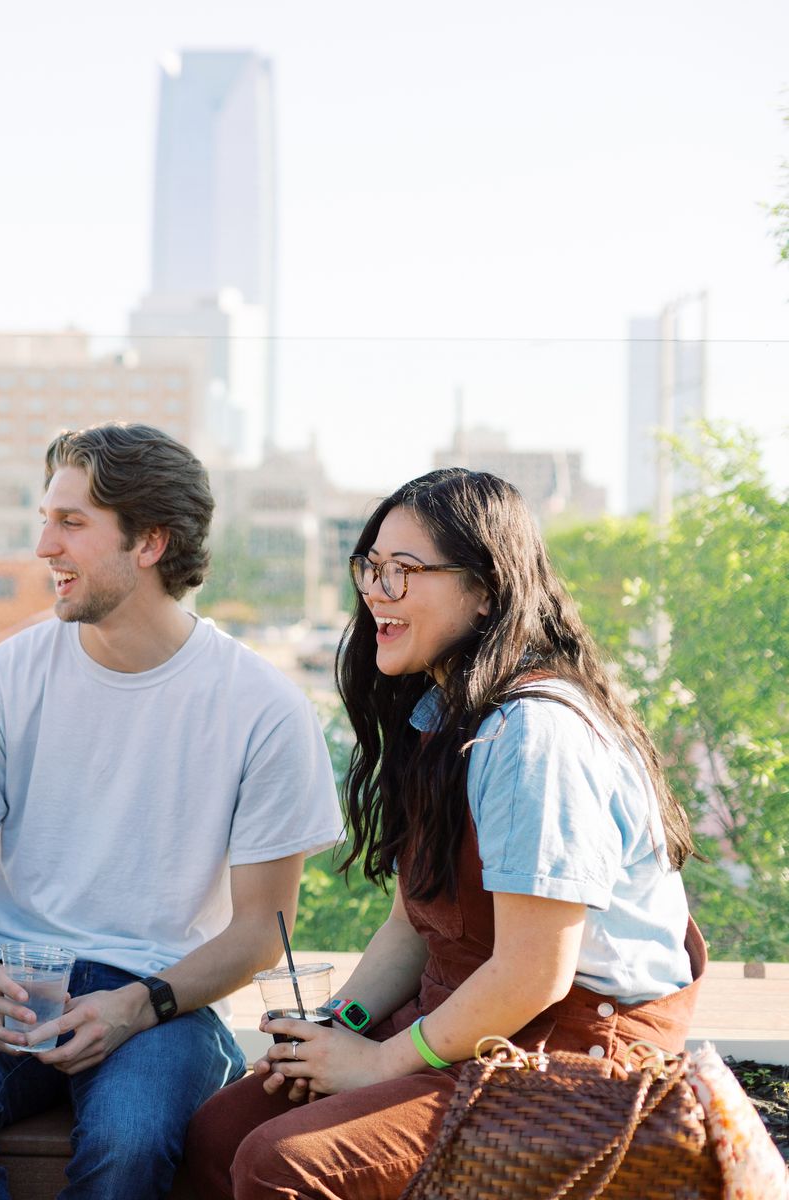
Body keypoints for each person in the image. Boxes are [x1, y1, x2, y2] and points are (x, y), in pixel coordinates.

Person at [184, 467, 705, 1200]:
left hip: (577, 1057)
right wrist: (338, 1025)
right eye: (371, 567)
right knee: (218, 1133)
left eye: (406, 570)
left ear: (486, 590)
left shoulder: (532, 736)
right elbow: (414, 924)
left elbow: (533, 972)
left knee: (286, 1163)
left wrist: (375, 1063)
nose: (377, 591)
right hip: (472, 1022)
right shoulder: (442, 718)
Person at [0, 423, 344, 1199]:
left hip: (168, 996)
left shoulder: (263, 707)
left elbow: (261, 931)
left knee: (128, 1139)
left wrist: (138, 1005)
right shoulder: (0, 680)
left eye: (71, 523)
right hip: (19, 975)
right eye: (45, 520)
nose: (44, 547)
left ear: (150, 543)